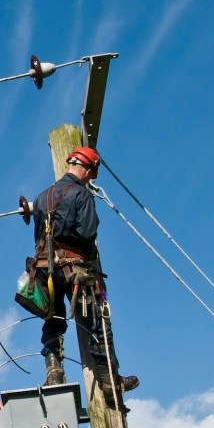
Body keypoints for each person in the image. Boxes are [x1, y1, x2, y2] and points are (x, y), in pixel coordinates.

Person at [29, 146, 138, 398]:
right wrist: (90, 264)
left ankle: (54, 372)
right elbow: (87, 234)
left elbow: (38, 236)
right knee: (97, 322)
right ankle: (109, 383)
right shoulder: (81, 194)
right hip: (74, 269)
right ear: (89, 170)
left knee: (52, 319)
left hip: (43, 270)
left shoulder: (42, 197)